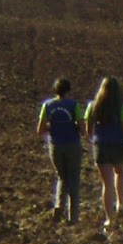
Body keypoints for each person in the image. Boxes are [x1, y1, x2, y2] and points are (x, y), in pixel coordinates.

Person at [85, 76, 123, 234]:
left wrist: (96, 139)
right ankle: (120, 203)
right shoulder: (121, 107)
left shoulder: (93, 106)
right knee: (119, 172)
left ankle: (109, 219)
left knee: (106, 184)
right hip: (118, 145)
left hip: (101, 146)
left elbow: (88, 130)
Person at [36, 77, 83, 224]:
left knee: (62, 176)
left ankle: (58, 206)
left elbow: (40, 130)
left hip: (55, 145)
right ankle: (73, 216)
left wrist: (52, 126)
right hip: (72, 144)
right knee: (73, 178)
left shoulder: (47, 106)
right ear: (68, 90)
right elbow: (82, 128)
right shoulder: (74, 105)